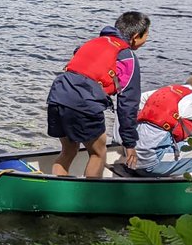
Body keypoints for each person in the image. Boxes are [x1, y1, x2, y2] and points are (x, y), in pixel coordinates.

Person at [47, 11, 151, 178]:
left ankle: (56, 188)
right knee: (98, 152)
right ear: (135, 36)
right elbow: (128, 105)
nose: (146, 40)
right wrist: (129, 143)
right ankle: (89, 193)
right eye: (146, 36)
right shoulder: (128, 57)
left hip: (58, 94)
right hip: (84, 101)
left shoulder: (93, 42)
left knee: (68, 150)